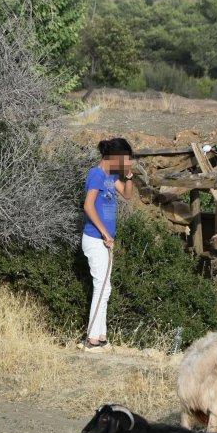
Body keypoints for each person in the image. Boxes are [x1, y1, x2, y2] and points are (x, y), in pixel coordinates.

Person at [81, 137, 136, 350]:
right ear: (113, 157)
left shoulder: (111, 176)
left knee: (106, 287)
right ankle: (92, 339)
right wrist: (104, 233)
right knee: (101, 287)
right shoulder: (96, 174)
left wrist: (129, 176)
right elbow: (88, 205)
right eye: (124, 159)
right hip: (95, 239)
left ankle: (101, 336)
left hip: (104, 241)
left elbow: (128, 195)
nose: (125, 163)